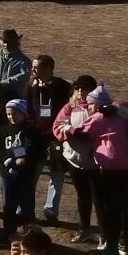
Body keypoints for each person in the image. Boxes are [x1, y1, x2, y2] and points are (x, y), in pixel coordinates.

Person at [73, 86, 128, 255]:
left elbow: (82, 133)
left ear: (97, 104)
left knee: (110, 207)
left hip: (109, 167)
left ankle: (110, 246)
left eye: (90, 104)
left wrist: (67, 130)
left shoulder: (98, 118)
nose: (88, 107)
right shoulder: (121, 116)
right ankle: (124, 244)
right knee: (124, 204)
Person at [20, 55, 72, 224]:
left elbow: (68, 111)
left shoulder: (63, 87)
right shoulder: (30, 87)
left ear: (48, 69)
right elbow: (25, 109)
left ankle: (51, 210)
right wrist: (34, 128)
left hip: (55, 139)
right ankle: (24, 208)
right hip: (35, 139)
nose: (33, 70)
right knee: (31, 175)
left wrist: (53, 131)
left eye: (36, 67)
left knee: (56, 174)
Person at [0, 99, 44, 241]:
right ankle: (9, 234)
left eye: (14, 114)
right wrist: (7, 161)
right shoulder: (4, 130)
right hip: (7, 174)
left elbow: (39, 152)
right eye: (9, 114)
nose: (11, 117)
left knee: (26, 206)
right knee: (8, 206)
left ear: (23, 114)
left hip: (26, 175)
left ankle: (29, 236)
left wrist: (27, 160)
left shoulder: (32, 132)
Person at [52, 75, 100, 244]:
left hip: (97, 162)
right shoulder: (70, 107)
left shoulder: (101, 107)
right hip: (76, 159)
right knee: (83, 196)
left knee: (99, 198)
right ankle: (85, 228)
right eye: (78, 88)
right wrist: (73, 131)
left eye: (84, 88)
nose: (80, 92)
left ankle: (106, 233)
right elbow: (58, 126)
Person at [0, 29, 32, 141]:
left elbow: (23, 76)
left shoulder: (24, 61)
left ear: (16, 42)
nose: (6, 44)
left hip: (14, 99)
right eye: (4, 41)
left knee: (13, 125)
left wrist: (3, 84)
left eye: (9, 42)